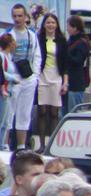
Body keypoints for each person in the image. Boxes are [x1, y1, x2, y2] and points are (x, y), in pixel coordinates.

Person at [6, 4, 41, 151]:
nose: (17, 19)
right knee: (8, 113)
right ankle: (5, 144)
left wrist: (35, 75)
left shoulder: (31, 34)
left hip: (28, 78)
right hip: (13, 79)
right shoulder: (8, 35)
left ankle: (21, 146)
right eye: (14, 16)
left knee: (24, 114)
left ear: (26, 17)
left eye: (20, 16)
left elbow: (37, 56)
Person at [33, 13, 65, 152]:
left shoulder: (61, 40)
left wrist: (65, 82)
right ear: (44, 25)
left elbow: (65, 63)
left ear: (56, 25)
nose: (50, 25)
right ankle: (41, 145)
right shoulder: (39, 39)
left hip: (56, 76)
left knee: (54, 113)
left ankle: (52, 144)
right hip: (42, 76)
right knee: (41, 111)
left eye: (53, 23)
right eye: (48, 23)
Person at [64, 16, 90, 113]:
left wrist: (65, 54)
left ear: (75, 28)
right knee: (64, 112)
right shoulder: (71, 40)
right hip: (67, 83)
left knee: (74, 111)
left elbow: (78, 61)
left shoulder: (81, 43)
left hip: (76, 83)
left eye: (68, 26)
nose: (67, 28)